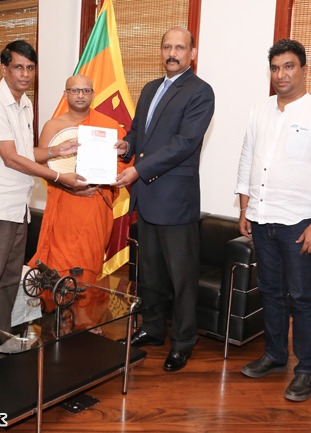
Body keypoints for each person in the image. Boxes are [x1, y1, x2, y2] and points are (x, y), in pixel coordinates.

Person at [235, 39, 311, 402]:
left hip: (300, 223)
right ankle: (275, 356)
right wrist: (244, 207)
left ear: (303, 69)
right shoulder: (259, 110)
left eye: (289, 66)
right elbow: (248, 157)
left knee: (300, 296)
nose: (281, 74)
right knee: (270, 292)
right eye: (276, 67)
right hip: (262, 217)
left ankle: (307, 368)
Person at [0, 41, 82, 363]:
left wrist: (57, 152)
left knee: (7, 279)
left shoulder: (26, 104)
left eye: (30, 68)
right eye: (18, 67)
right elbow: (11, 158)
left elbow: (26, 153)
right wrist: (58, 177)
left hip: (17, 206)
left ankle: (0, 338)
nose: (25, 74)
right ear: (3, 69)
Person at [112, 27, 215, 372]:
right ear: (161, 51)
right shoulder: (151, 88)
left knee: (181, 277)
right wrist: (126, 146)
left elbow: (184, 143)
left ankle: (183, 341)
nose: (173, 53)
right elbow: (140, 132)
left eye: (180, 47)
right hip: (148, 196)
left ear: (192, 53)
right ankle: (153, 329)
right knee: (150, 273)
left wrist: (138, 170)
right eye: (167, 47)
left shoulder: (201, 92)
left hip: (176, 199)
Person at [27, 74, 130, 284]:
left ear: (93, 95)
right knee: (60, 268)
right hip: (65, 205)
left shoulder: (108, 125)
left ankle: (86, 314)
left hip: (95, 204)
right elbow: (42, 164)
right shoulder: (53, 126)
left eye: (85, 90)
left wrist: (105, 177)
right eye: (74, 90)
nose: (80, 95)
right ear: (66, 95)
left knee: (88, 268)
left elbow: (123, 162)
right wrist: (67, 184)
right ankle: (57, 312)